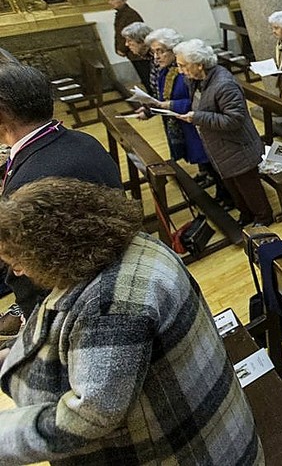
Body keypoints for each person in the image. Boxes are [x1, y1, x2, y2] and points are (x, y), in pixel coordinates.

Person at [0, 178, 262, 465]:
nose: (18, 271)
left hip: (199, 451)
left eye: (17, 261)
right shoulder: (129, 244)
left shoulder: (110, 305)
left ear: (53, 247)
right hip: (212, 421)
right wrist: (11, 353)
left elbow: (89, 417)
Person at [0, 63, 121, 343]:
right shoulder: (82, 140)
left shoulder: (30, 184)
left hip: (79, 312)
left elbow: (35, 274)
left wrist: (34, 328)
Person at [174, 39, 274, 227]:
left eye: (183, 65)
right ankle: (246, 215)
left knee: (248, 186)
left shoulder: (223, 84)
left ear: (199, 64)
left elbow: (234, 120)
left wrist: (198, 118)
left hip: (238, 146)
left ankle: (263, 218)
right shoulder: (197, 80)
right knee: (233, 186)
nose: (180, 71)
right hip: (220, 147)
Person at [140, 28, 215, 185]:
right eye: (153, 52)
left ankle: (218, 185)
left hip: (195, 122)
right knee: (200, 156)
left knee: (207, 156)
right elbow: (162, 98)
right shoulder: (165, 71)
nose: (156, 57)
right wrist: (149, 110)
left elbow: (199, 101)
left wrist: (171, 105)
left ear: (173, 49)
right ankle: (207, 174)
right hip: (182, 122)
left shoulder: (187, 71)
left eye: (160, 51)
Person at [109, 0, 149, 89]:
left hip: (138, 53)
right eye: (109, 0)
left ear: (122, 0)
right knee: (144, 77)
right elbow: (119, 33)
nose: (110, 2)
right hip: (132, 53)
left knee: (147, 76)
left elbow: (134, 34)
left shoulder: (130, 14)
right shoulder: (120, 14)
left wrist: (122, 49)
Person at [120, 21, 155, 93]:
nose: (126, 44)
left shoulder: (158, 58)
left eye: (129, 41)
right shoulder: (149, 57)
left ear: (143, 41)